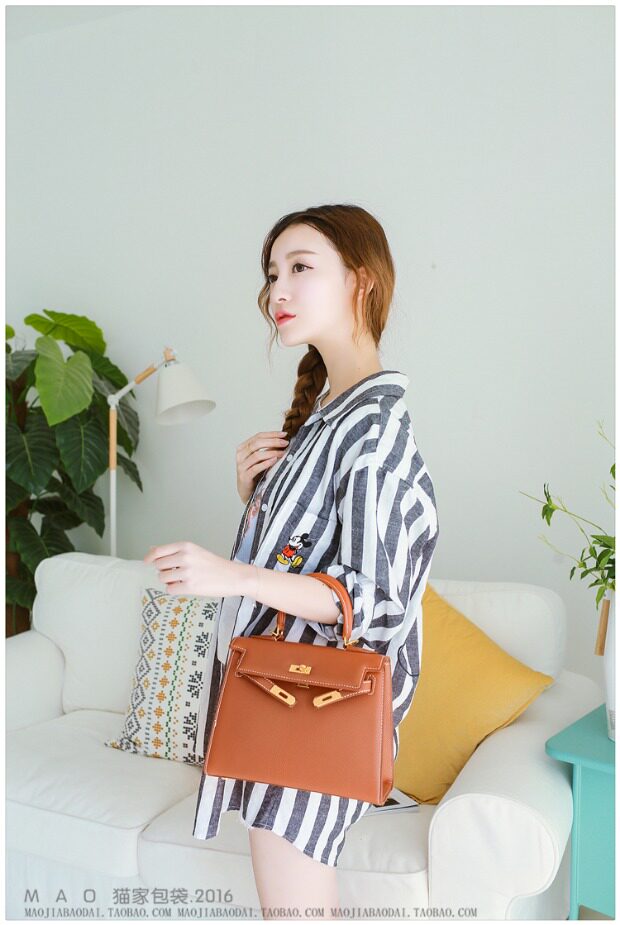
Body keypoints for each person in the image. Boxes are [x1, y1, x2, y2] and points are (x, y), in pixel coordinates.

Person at [143, 203, 440, 919]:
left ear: (362, 280)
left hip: (314, 707)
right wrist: (256, 499)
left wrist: (231, 574)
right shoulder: (327, 418)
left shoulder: (372, 430)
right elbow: (313, 559)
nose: (278, 289)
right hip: (281, 699)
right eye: (273, 273)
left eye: (301, 267)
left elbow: (373, 602)